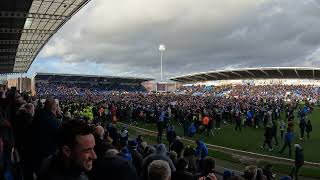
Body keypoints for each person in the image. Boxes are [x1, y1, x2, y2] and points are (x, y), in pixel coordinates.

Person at [31, 98, 60, 172]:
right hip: (46, 155)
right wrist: (58, 116)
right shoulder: (53, 121)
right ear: (54, 107)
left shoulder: (38, 114)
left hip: (35, 152)